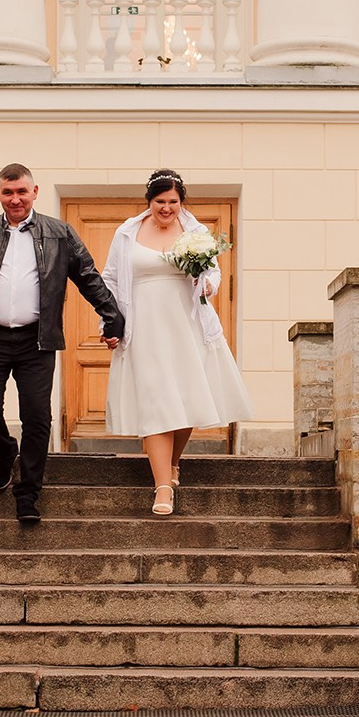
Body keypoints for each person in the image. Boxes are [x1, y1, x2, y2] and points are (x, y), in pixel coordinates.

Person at [0, 163, 124, 524]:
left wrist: (112, 315)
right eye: (8, 192)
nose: (15, 199)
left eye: (21, 192)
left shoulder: (60, 234)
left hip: (36, 340)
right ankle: (4, 450)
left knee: (37, 417)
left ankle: (27, 494)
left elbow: (88, 277)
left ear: (35, 192)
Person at [101, 169, 252, 514]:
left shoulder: (196, 232)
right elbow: (109, 279)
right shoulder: (126, 233)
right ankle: (163, 488)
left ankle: (172, 462)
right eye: (159, 202)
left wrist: (210, 284)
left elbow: (212, 272)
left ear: (181, 202)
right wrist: (108, 321)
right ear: (149, 202)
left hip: (186, 323)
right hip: (144, 326)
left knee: (186, 398)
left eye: (172, 202)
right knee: (156, 400)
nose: (166, 208)